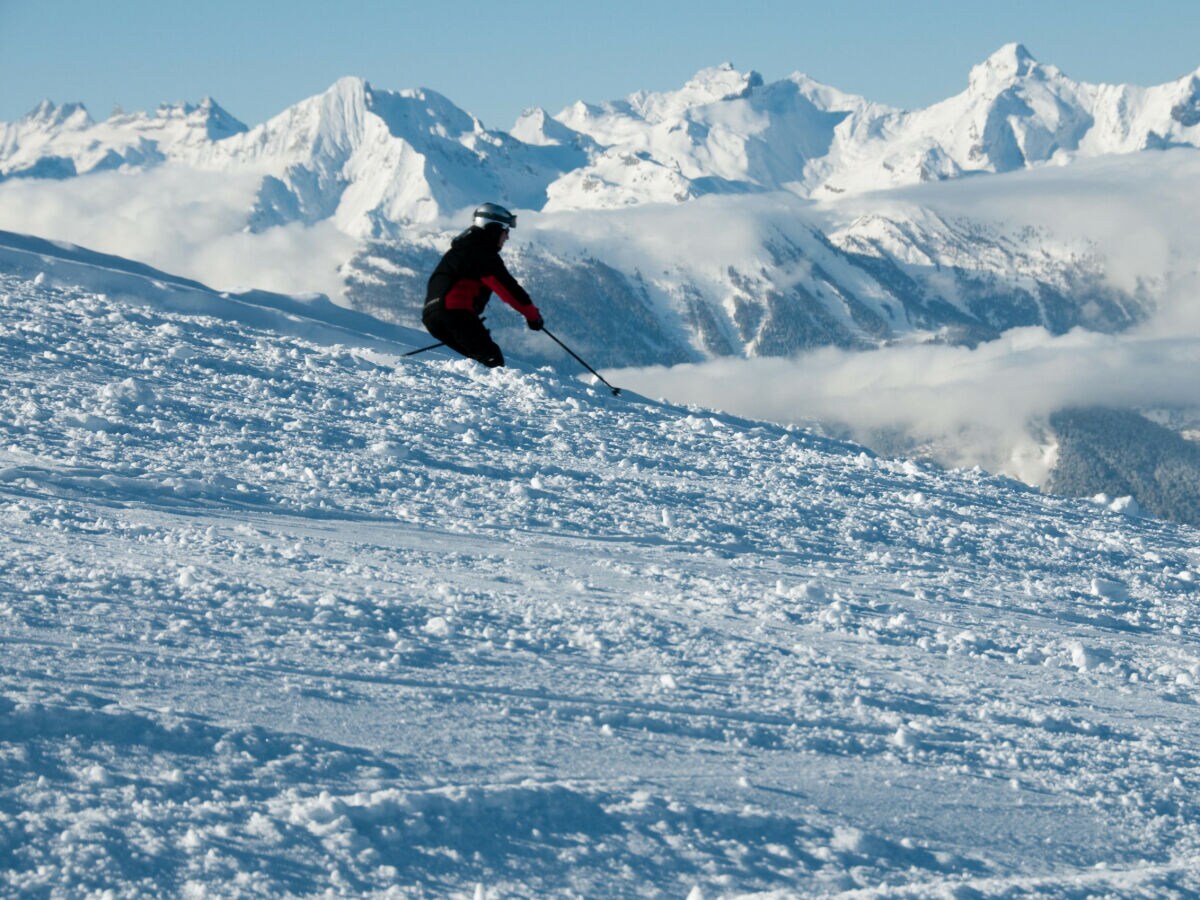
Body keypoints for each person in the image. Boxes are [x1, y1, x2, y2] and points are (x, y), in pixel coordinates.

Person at [422, 203, 543, 368]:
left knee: (477, 364)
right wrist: (532, 316)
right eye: (505, 231)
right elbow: (507, 288)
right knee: (492, 361)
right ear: (494, 229)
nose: (507, 237)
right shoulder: (482, 252)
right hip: (456, 313)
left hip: (431, 316)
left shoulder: (460, 249)